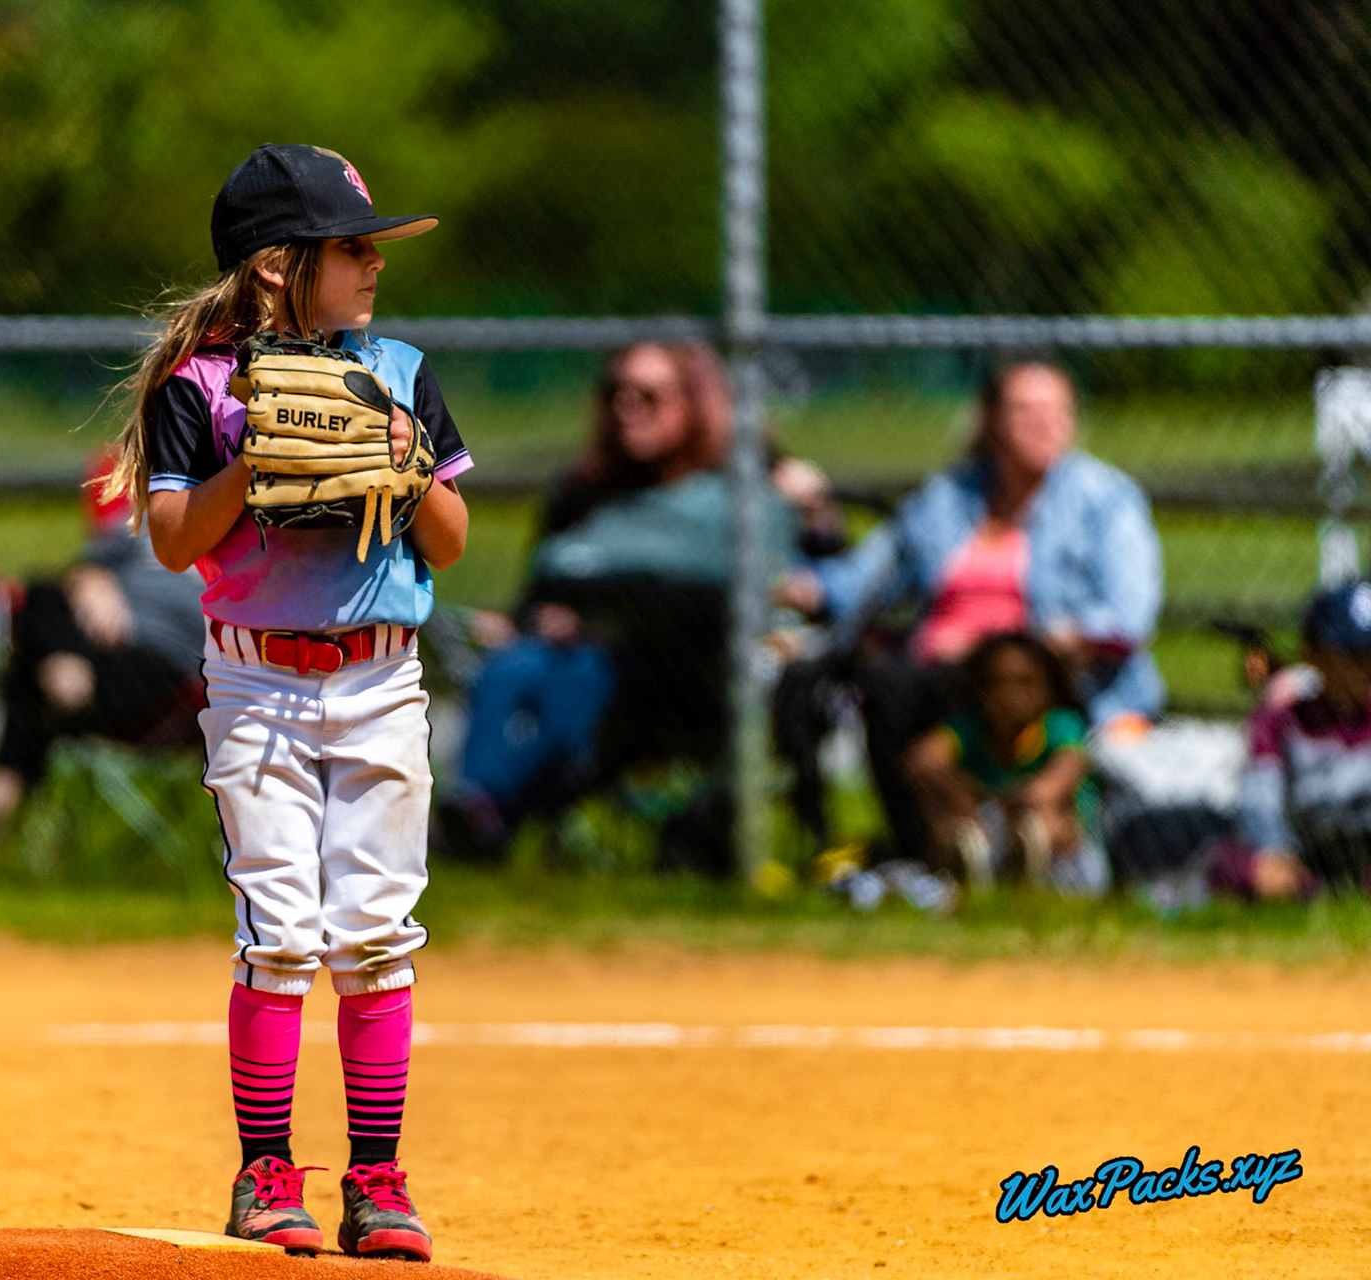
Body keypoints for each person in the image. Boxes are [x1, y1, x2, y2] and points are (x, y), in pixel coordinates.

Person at [104, 144, 469, 1260]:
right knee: (279, 929)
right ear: (277, 265)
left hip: (381, 679)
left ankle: (376, 1174)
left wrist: (406, 467)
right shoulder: (202, 385)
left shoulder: (400, 372)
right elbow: (175, 541)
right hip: (258, 681)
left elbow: (453, 541)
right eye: (352, 248)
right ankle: (266, 1171)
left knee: (376, 930)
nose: (374, 266)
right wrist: (253, 461)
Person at [441, 342, 830, 868]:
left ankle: (490, 816)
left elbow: (804, 570)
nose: (628, 407)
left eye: (649, 396)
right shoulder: (585, 493)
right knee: (522, 663)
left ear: (693, 405)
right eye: (616, 393)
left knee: (574, 671)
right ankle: (478, 809)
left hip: (695, 681)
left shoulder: (733, 493)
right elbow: (540, 591)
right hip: (587, 666)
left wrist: (817, 513)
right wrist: (543, 619)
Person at [774, 360, 1163, 862]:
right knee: (887, 682)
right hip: (941, 681)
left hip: (1043, 681)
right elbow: (863, 580)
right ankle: (935, 849)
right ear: (991, 420)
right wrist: (792, 583)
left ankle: (1004, 840)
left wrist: (1006, 646)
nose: (1043, 423)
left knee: (1000, 679)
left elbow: (1127, 616)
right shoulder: (947, 499)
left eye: (1056, 411)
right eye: (1024, 410)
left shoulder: (1105, 500)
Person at [0, 455, 208, 843]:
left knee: (30, 667)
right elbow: (81, 574)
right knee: (42, 605)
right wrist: (93, 580)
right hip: (110, 658)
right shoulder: (136, 529)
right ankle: (65, 667)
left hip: (175, 679)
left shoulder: (230, 531)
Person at [904, 631, 1108, 896]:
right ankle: (967, 863)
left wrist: (993, 801)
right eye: (1000, 684)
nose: (1012, 696)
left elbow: (1052, 784)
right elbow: (923, 761)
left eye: (1025, 683)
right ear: (981, 690)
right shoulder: (969, 730)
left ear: (1047, 688)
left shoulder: (1061, 726)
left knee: (1040, 820)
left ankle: (1024, 864)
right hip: (991, 830)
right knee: (953, 823)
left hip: (1066, 858)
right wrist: (963, 798)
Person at [1235, 579, 1371, 897]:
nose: (1368, 667)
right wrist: (1275, 853)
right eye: (1355, 656)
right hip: (1302, 854)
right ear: (1314, 656)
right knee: (1239, 868)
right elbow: (1260, 803)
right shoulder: (1284, 717)